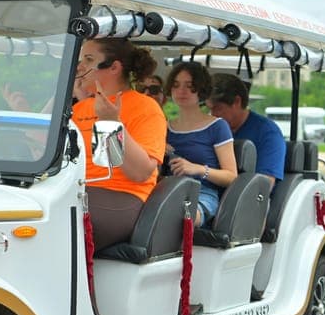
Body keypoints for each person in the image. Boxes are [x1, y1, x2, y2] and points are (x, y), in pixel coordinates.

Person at [72, 38, 166, 251]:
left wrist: (111, 123)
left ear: (114, 67)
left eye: (89, 59)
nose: (80, 66)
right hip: (78, 190)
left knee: (64, 222)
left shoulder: (145, 107)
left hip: (123, 197)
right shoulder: (80, 108)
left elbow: (140, 172)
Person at [163, 62, 237, 227]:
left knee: (182, 217)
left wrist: (197, 169)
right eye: (176, 85)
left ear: (202, 90)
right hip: (166, 190)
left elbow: (231, 177)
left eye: (190, 86)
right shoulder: (164, 126)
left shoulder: (218, 126)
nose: (181, 91)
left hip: (201, 193)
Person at [207, 73, 285, 191]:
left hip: (247, 202)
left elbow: (264, 184)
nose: (213, 114)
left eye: (218, 108)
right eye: (210, 109)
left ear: (237, 102)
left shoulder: (268, 132)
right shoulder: (213, 129)